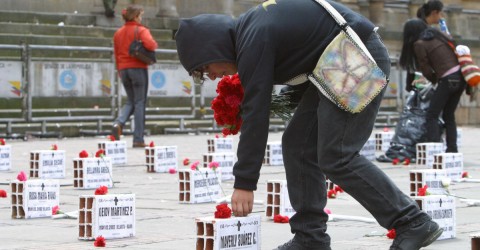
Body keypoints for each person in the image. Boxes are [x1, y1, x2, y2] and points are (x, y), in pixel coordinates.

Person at [175, 0, 442, 249]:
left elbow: (257, 114)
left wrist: (245, 182)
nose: (210, 76)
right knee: (298, 145)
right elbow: (304, 56)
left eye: (203, 67)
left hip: (354, 57)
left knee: (337, 155)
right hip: (332, 62)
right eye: (201, 75)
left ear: (212, 46)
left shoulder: (252, 38)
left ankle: (411, 221)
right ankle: (309, 236)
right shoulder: (251, 30)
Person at [399, 18, 466, 153]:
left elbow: (425, 68)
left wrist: (433, 80)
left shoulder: (419, 44)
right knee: (448, 115)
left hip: (447, 79)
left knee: (432, 115)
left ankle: (434, 150)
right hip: (461, 78)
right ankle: (452, 150)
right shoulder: (439, 37)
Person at [112, 5, 157, 148]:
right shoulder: (141, 30)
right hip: (138, 69)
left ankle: (118, 123)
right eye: (140, 15)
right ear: (136, 16)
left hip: (123, 69)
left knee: (130, 100)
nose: (141, 18)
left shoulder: (118, 33)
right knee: (139, 102)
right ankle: (138, 138)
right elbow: (151, 45)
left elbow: (116, 53)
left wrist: (120, 70)